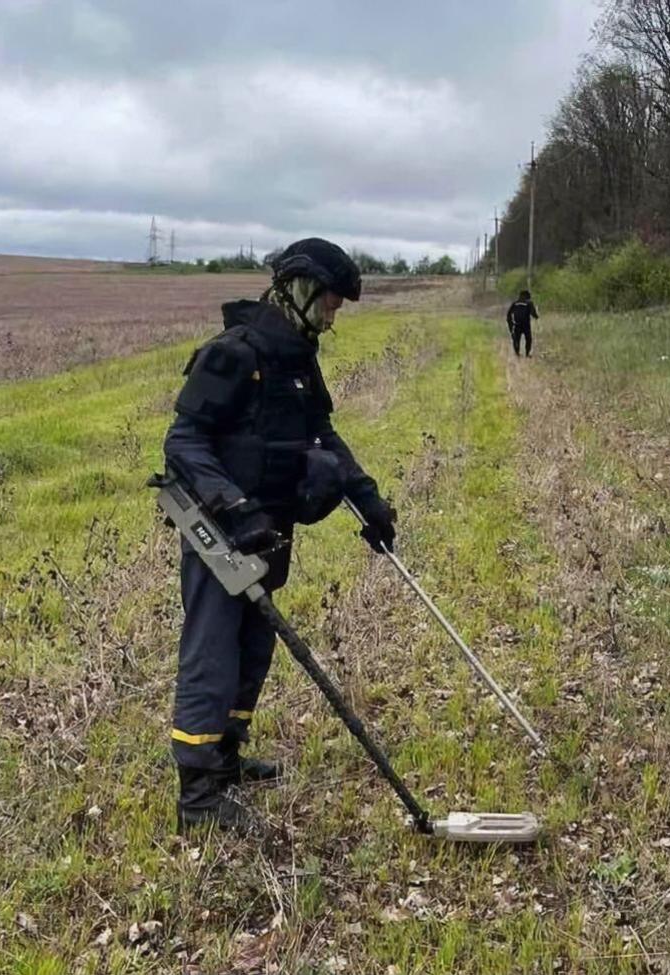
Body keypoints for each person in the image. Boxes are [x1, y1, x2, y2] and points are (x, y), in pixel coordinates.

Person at [161, 237, 397, 831]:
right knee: (212, 650)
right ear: (298, 288)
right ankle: (198, 796)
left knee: (254, 646)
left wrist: (367, 500)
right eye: (331, 301)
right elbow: (183, 442)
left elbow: (322, 435)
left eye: (340, 305)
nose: (333, 313)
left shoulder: (297, 359)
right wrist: (234, 509)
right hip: (222, 528)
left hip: (270, 525)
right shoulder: (234, 354)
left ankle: (227, 754)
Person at [506, 290, 539, 357]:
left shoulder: (515, 303)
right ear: (527, 296)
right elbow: (533, 313)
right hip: (526, 324)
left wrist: (511, 323)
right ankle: (527, 354)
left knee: (516, 339)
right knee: (528, 339)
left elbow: (509, 314)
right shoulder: (529, 303)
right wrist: (536, 316)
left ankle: (517, 353)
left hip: (517, 324)